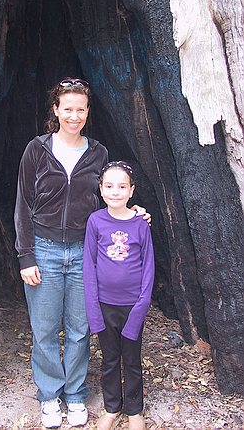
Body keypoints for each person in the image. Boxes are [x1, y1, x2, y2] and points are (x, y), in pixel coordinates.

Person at [14, 78, 150, 428]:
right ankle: (49, 395)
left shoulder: (98, 153)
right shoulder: (37, 149)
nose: (74, 115)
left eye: (81, 109)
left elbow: (108, 198)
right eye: (67, 108)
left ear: (88, 113)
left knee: (79, 327)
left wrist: (133, 212)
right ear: (56, 110)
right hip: (43, 249)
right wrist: (25, 255)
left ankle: (74, 394)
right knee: (44, 329)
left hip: (85, 252)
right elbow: (22, 205)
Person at [83, 161, 155, 430]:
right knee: (110, 359)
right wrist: (93, 308)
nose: (115, 191)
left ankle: (135, 410)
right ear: (101, 190)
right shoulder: (95, 221)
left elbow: (148, 266)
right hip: (104, 304)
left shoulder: (140, 224)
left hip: (132, 305)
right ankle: (112, 407)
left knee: (132, 359)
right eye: (109, 186)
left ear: (131, 190)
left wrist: (142, 305)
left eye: (122, 186)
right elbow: (88, 265)